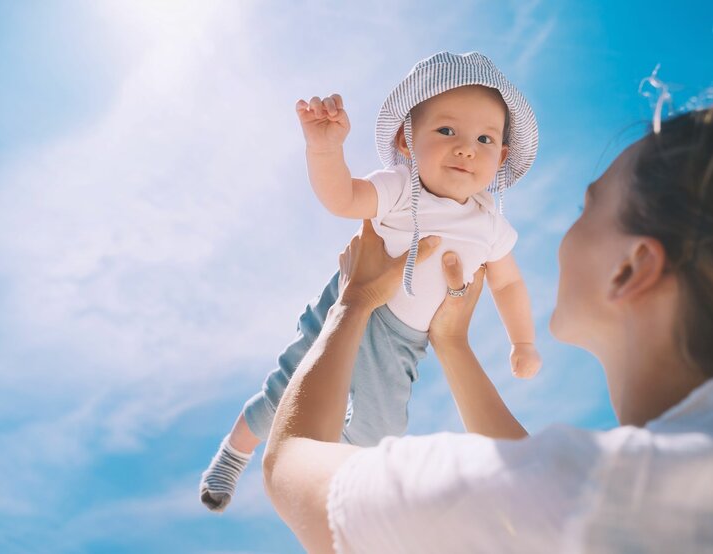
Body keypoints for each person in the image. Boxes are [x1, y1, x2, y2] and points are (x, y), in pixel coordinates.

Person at [262, 105, 713, 553]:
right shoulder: (677, 479)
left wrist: (354, 301)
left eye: (588, 207)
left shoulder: (606, 490)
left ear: (629, 268)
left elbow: (290, 464)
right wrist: (453, 343)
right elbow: (532, 483)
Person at [200, 51, 543, 511]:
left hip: (402, 339)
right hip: (345, 302)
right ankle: (234, 453)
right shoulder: (402, 187)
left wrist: (523, 341)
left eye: (484, 138)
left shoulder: (490, 225)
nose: (466, 148)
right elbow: (344, 198)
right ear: (407, 140)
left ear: (501, 157)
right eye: (447, 131)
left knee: (380, 429)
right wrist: (325, 151)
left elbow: (507, 285)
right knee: (285, 393)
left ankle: (337, 492)